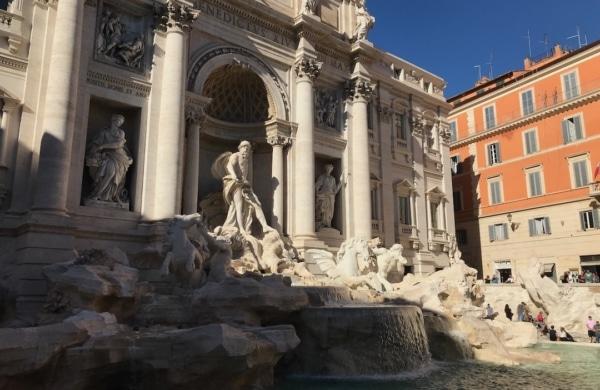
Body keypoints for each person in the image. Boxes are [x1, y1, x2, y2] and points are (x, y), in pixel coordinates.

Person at [85, 114, 133, 204]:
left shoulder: (121, 133)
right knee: (108, 170)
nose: (119, 123)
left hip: (119, 156)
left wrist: (103, 146)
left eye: (121, 122)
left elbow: (118, 145)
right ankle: (100, 194)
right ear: (113, 120)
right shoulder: (104, 133)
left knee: (111, 172)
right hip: (106, 155)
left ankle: (99, 194)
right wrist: (94, 151)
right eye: (118, 121)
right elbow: (95, 144)